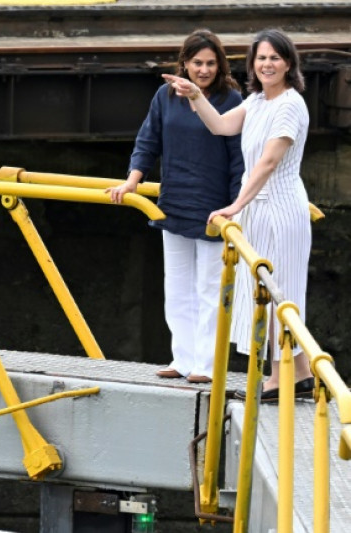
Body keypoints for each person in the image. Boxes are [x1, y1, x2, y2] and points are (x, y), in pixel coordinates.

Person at [164, 28, 314, 401]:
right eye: (261, 58)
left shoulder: (290, 104)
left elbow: (267, 162)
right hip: (257, 211)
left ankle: (279, 377)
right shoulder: (258, 101)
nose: (267, 64)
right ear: (252, 64)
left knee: (279, 291)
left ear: (289, 63)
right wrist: (195, 95)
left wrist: (235, 205)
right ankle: (303, 372)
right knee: (263, 289)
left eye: (274, 58)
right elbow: (221, 126)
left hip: (279, 209)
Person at [108, 29, 243, 384]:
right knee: (178, 286)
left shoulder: (231, 99)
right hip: (175, 202)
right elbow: (148, 140)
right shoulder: (165, 96)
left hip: (214, 205)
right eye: (197, 63)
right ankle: (181, 359)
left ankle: (207, 364)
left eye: (211, 63)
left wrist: (235, 205)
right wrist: (132, 181)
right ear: (184, 63)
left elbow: (238, 157)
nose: (204, 70)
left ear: (220, 65)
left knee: (209, 290)